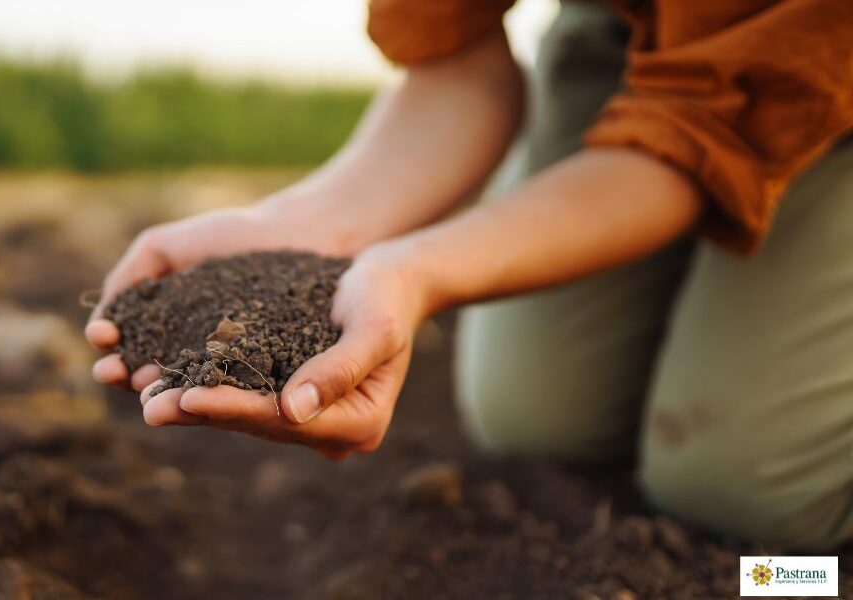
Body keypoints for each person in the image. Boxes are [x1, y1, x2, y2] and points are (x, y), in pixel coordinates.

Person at [85, 0, 853, 550]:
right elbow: (456, 68)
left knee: (749, 500)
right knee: (537, 418)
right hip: (634, 33)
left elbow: (698, 136)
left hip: (818, 53)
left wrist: (420, 270)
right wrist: (307, 232)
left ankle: (813, 580)